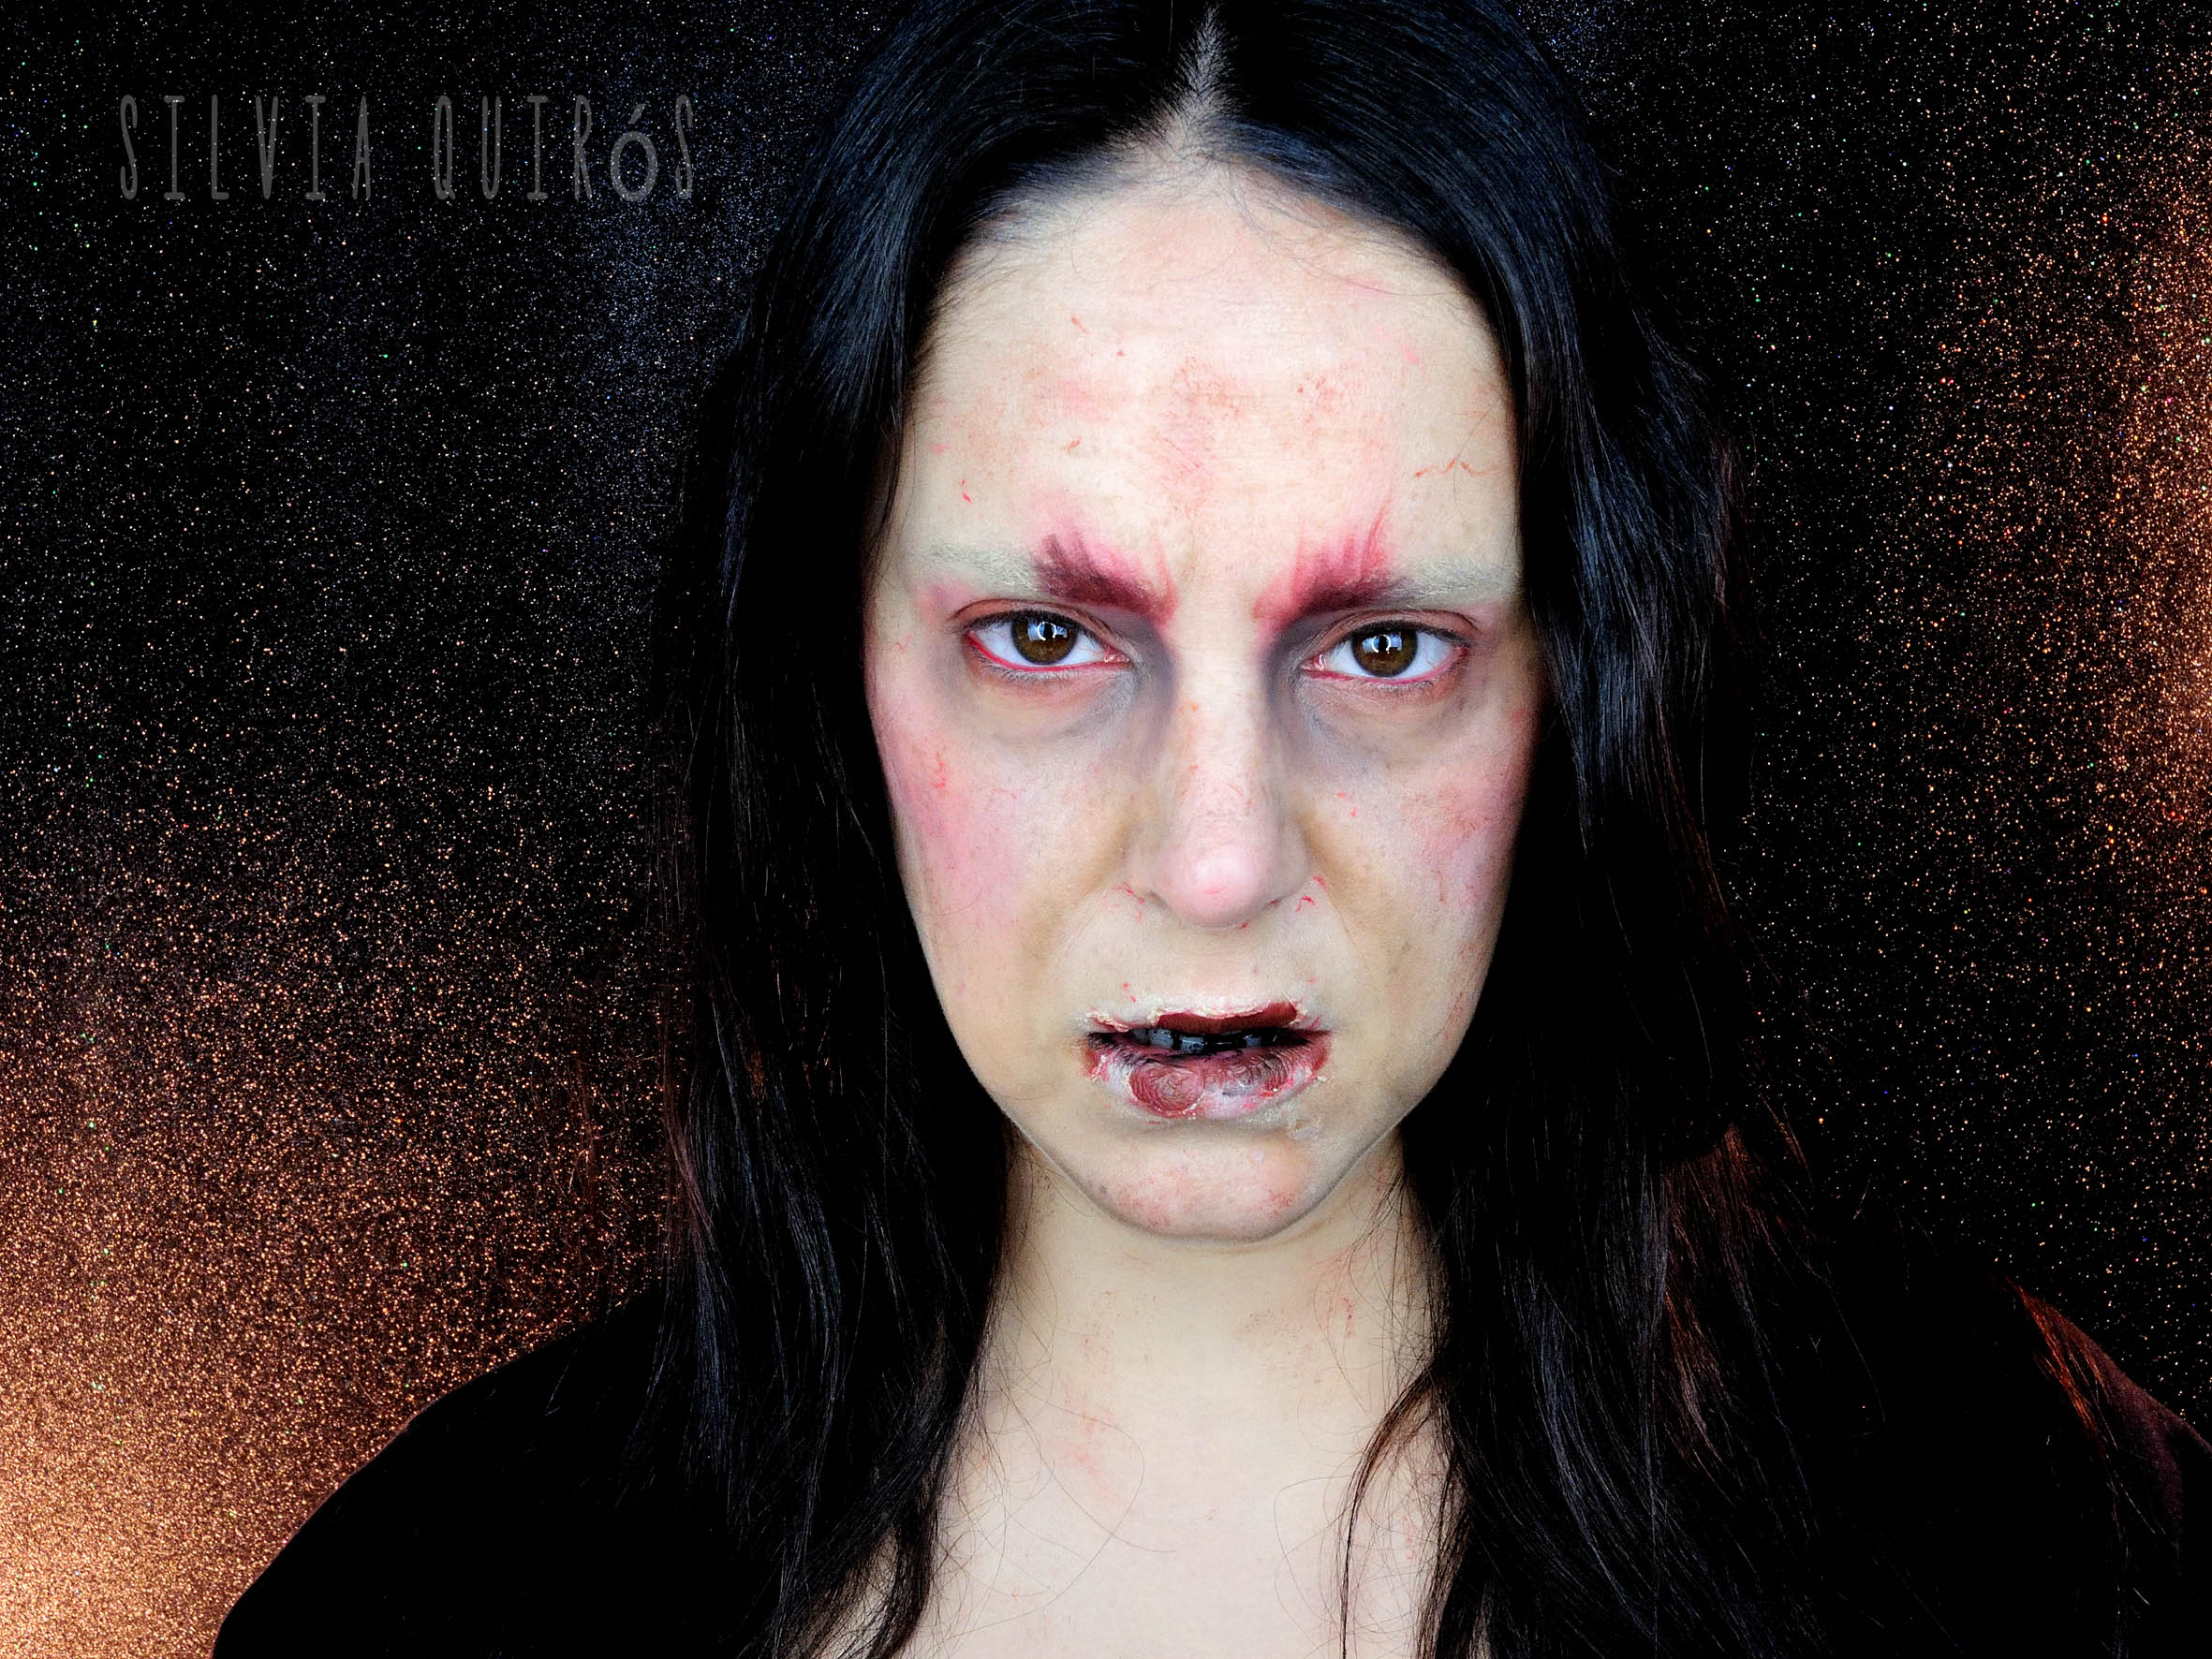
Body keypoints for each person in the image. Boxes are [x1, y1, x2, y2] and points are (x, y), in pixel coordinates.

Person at [215, 1, 2210, 1654]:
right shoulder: (445, 1603)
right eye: (1044, 638)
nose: (1219, 862)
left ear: (1571, 692)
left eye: (1383, 648)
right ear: (837, 680)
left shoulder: (2030, 1527)